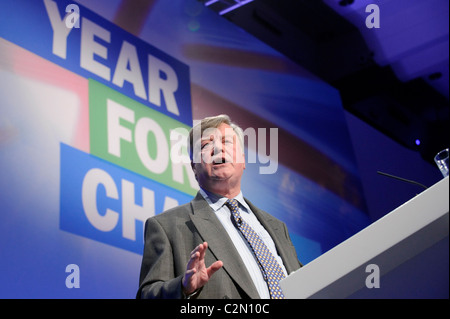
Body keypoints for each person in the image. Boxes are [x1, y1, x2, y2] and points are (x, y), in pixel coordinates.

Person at [137, 114, 302, 299]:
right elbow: (147, 295)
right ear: (194, 168)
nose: (217, 148)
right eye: (206, 145)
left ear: (243, 159)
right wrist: (183, 288)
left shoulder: (278, 228)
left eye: (226, 141)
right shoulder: (167, 226)